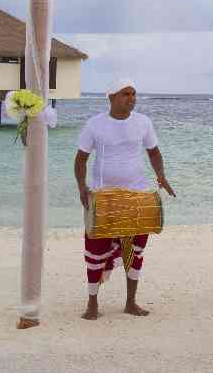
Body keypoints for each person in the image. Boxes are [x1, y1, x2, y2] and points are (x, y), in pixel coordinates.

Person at [75, 76, 176, 320]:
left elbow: (154, 152)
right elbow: (80, 159)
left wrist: (161, 176)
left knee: (136, 251)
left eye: (133, 94)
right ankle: (92, 304)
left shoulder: (143, 122)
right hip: (103, 198)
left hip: (137, 196)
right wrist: (82, 187)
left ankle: (131, 302)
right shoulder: (94, 124)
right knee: (96, 252)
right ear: (111, 97)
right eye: (126, 94)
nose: (131, 98)